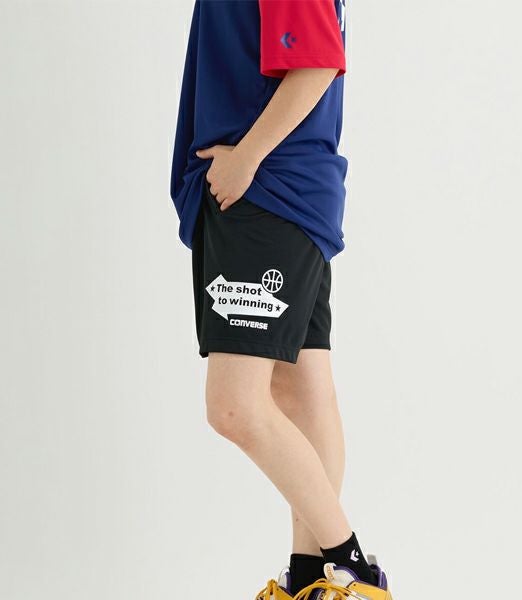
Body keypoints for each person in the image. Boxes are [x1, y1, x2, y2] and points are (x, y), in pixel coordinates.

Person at [170, 1, 394, 598]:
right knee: (301, 390)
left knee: (234, 406)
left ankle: (351, 569)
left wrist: (246, 159)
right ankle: (311, 578)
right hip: (287, 194)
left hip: (265, 193)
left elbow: (317, 63)